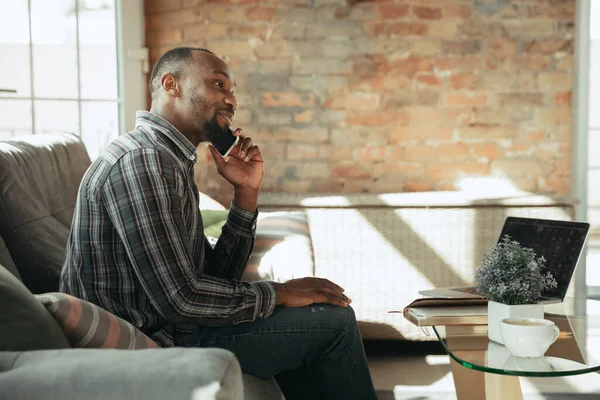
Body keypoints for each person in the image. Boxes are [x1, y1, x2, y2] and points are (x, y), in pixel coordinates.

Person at [60, 47, 377, 400]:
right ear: (171, 84)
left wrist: (245, 194)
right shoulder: (143, 161)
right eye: (218, 84)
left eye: (232, 89)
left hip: (180, 328)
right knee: (332, 324)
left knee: (316, 318)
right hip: (159, 342)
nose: (232, 100)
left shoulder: (168, 160)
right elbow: (182, 300)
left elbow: (215, 278)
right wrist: (281, 292)